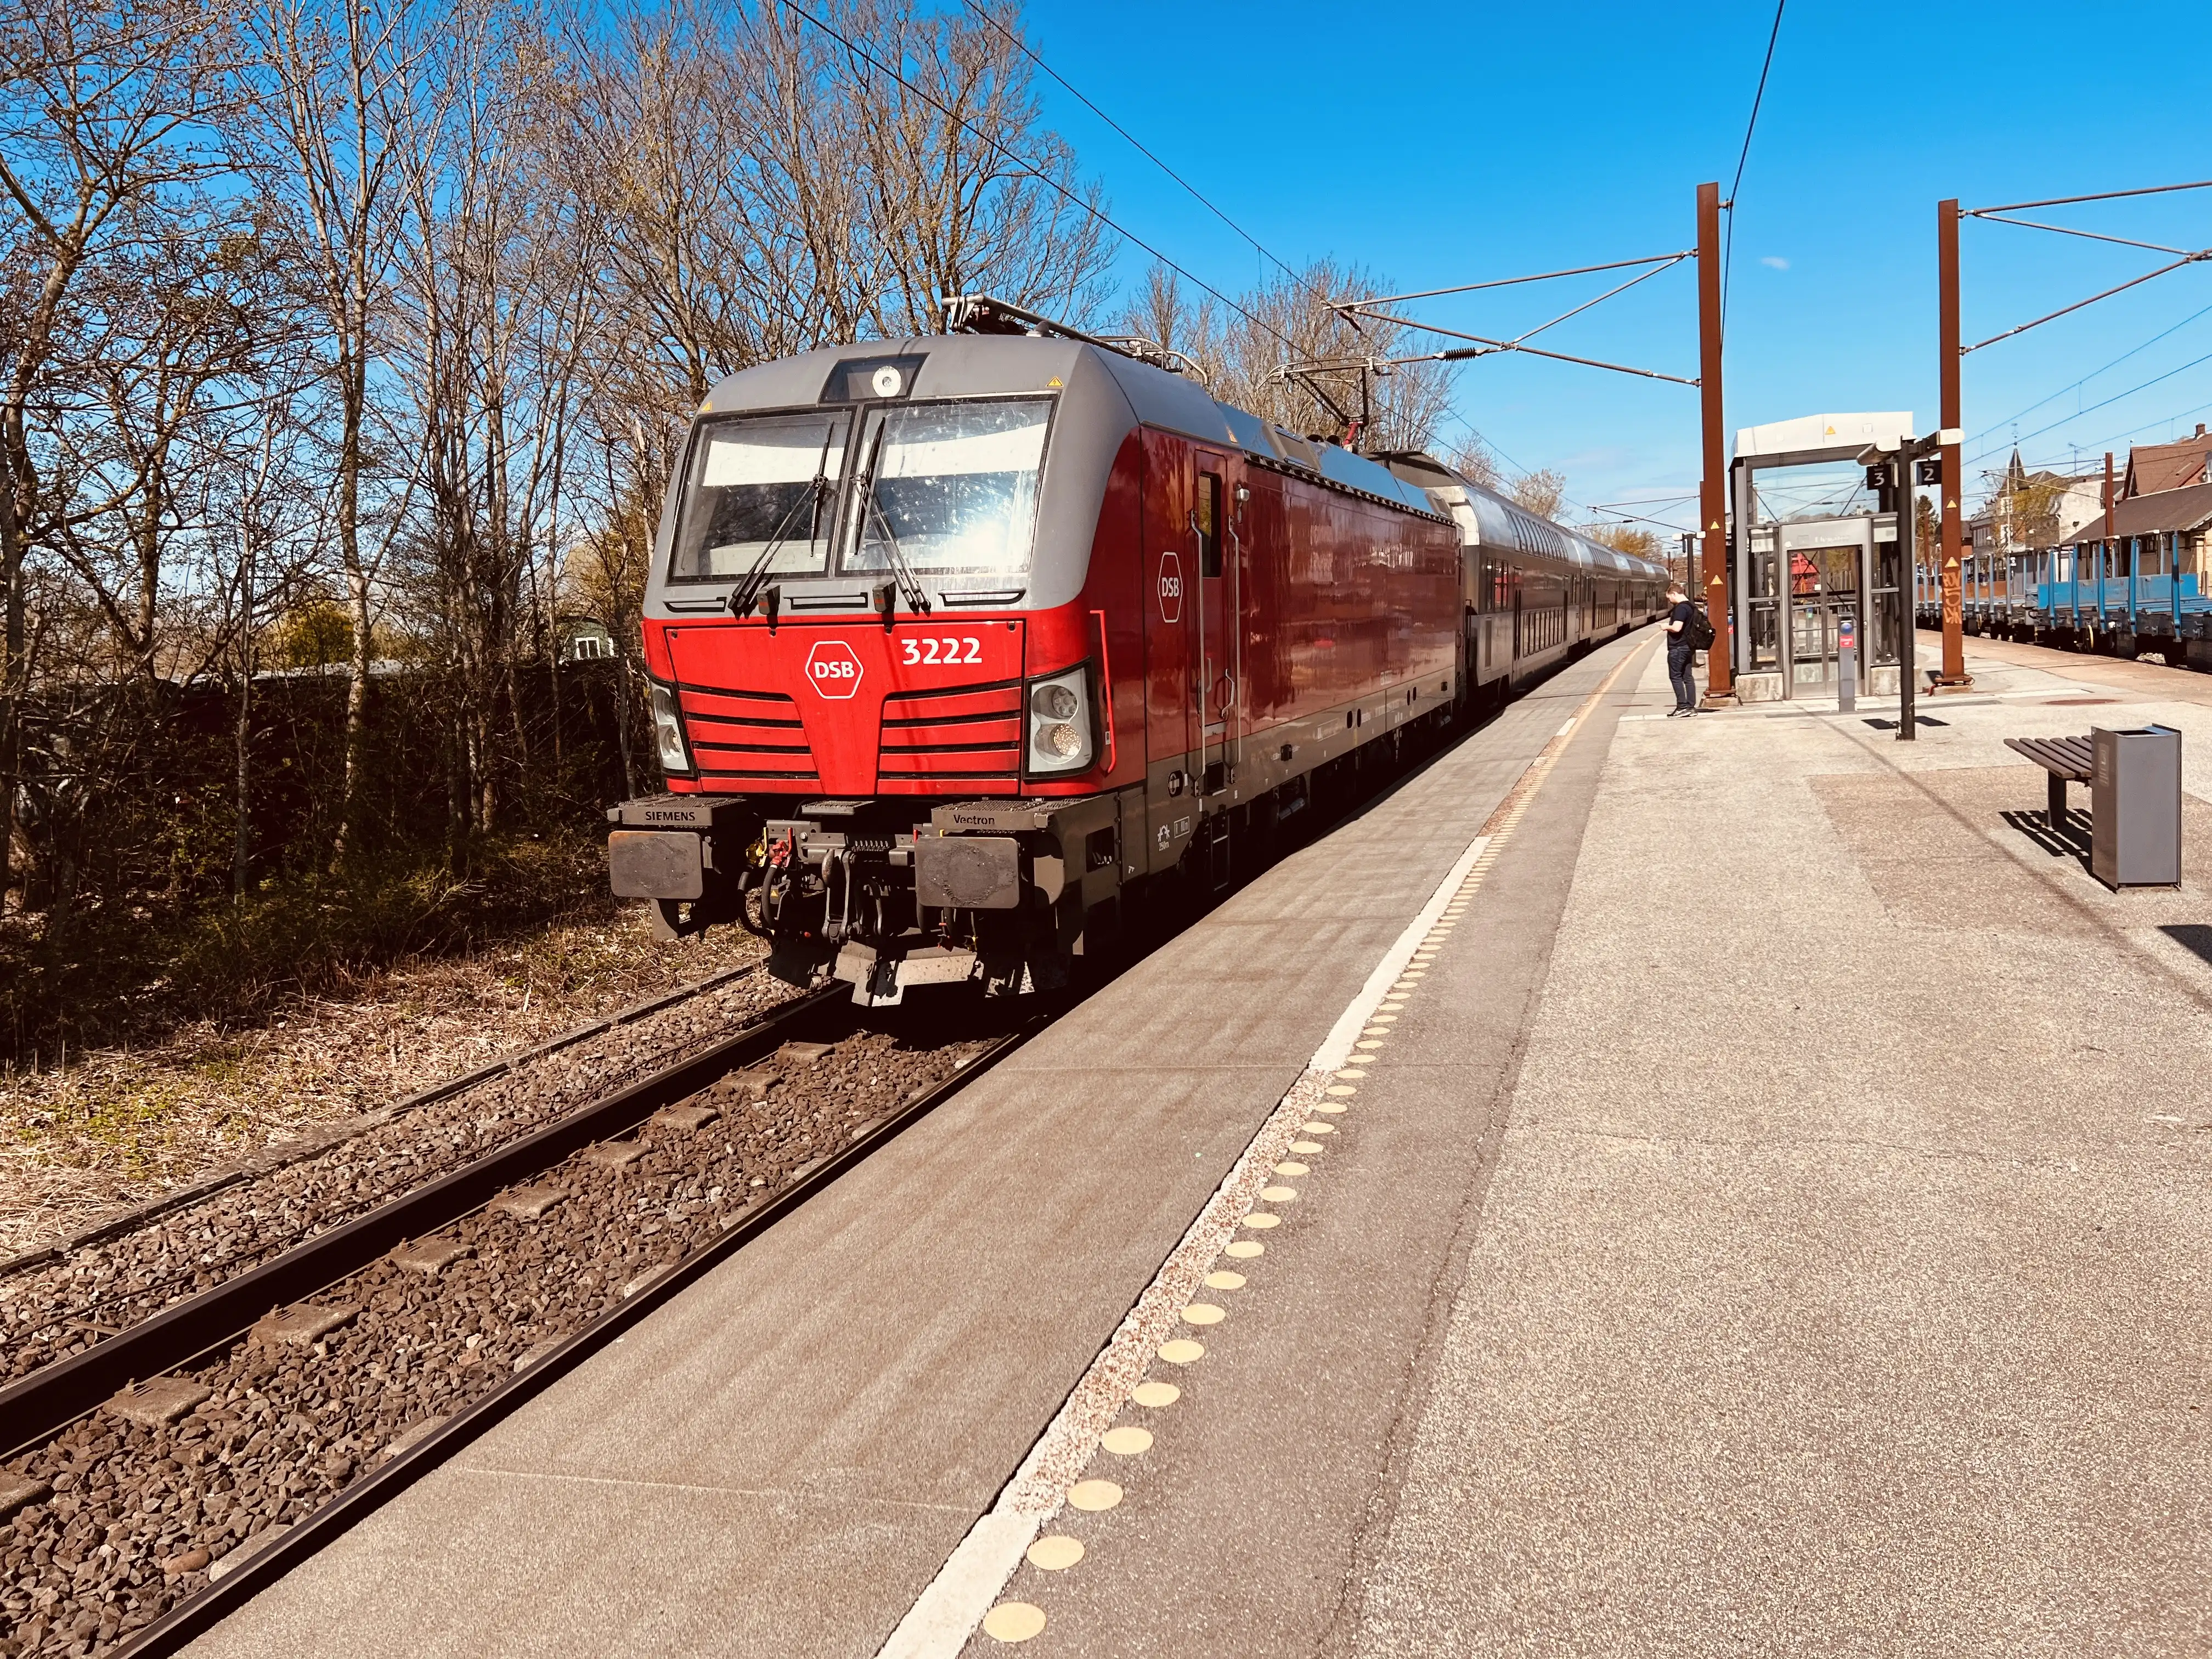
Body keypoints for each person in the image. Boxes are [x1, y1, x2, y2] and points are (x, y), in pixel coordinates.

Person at [1663, 582, 1700, 716]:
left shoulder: (1681, 609)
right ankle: (1691, 707)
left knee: (1676, 676)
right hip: (1688, 646)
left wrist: (1665, 627)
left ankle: (1682, 707)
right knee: (1687, 677)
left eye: (1669, 598)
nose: (1669, 601)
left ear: (1674, 594)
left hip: (1678, 647)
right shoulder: (1691, 606)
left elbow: (1677, 628)